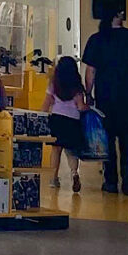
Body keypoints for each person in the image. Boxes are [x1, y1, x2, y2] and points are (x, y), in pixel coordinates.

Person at [82, 8, 128, 195]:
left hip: (105, 98)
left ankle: (110, 180)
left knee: (107, 139)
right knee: (127, 138)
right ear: (119, 16)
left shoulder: (97, 40)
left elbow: (90, 71)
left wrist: (88, 93)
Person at [42, 56, 86, 192]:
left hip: (57, 120)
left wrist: (41, 116)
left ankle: (53, 179)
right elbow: (80, 106)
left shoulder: (53, 85)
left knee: (56, 150)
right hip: (72, 121)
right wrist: (88, 108)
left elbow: (45, 105)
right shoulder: (77, 87)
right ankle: (74, 173)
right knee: (71, 151)